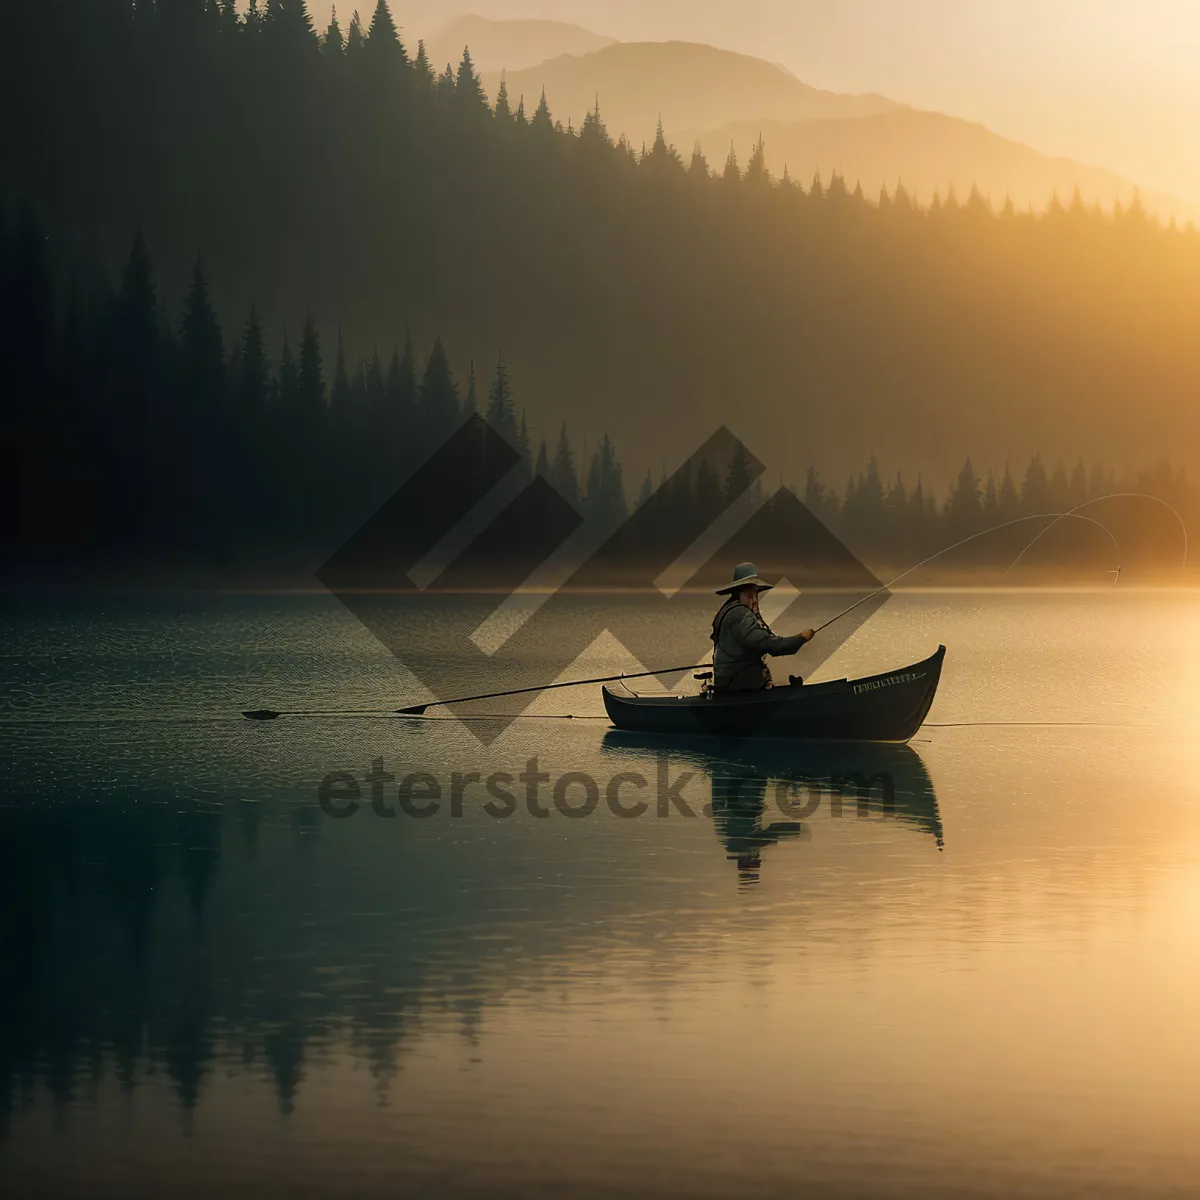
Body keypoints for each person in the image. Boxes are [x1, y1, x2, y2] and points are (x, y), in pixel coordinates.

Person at [710, 562, 814, 692]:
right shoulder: (741, 615)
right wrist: (801, 638)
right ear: (739, 592)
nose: (754, 599)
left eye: (755, 594)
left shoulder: (727, 611)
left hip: (728, 682)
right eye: (750, 595)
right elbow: (766, 643)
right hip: (738, 686)